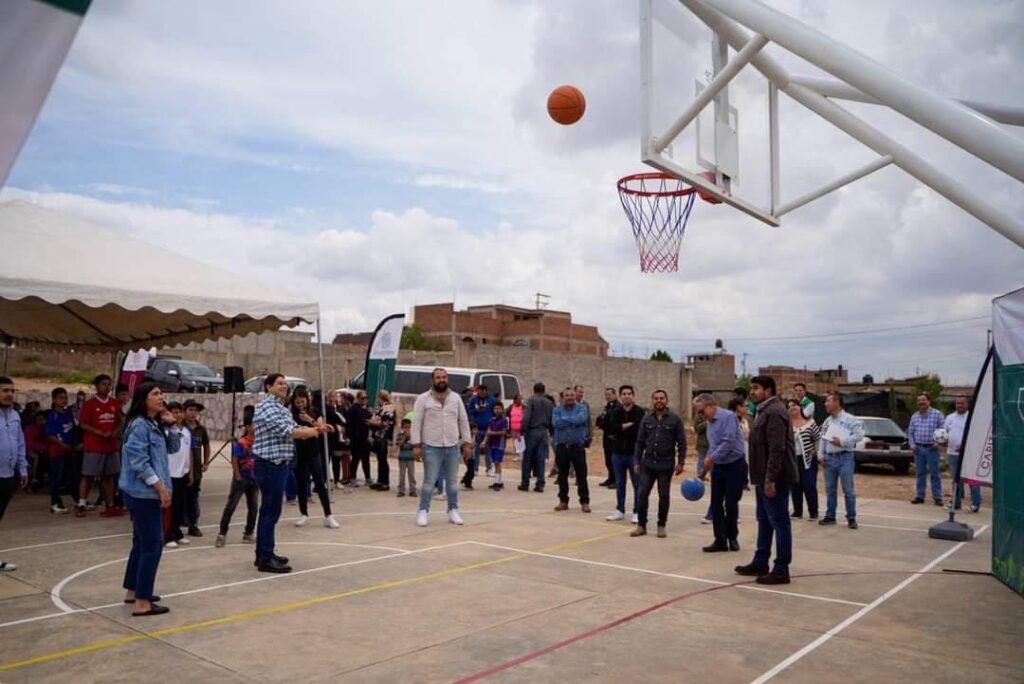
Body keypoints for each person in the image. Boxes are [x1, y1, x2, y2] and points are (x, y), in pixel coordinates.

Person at [252, 373, 331, 573]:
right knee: (270, 511)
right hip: (270, 465)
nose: (284, 386)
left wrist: (318, 428)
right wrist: (315, 432)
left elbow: (295, 426)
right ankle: (265, 557)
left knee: (270, 511)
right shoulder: (267, 407)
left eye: (285, 384)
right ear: (268, 386)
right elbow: (290, 431)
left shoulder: (278, 407)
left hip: (277, 465)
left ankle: (265, 553)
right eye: (279, 383)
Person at [119, 382, 177, 616]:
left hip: (146, 492)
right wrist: (161, 488)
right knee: (153, 544)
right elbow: (139, 462)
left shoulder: (155, 424)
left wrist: (171, 425)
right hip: (143, 493)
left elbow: (171, 448)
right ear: (143, 399)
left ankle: (133, 590)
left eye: (162, 393)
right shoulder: (140, 426)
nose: (161, 397)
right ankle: (143, 601)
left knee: (141, 542)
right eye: (155, 394)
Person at [737, 376, 800, 586]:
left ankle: (781, 569)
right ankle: (760, 561)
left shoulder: (774, 411)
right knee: (764, 521)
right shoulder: (763, 410)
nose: (752, 392)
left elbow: (777, 448)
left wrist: (771, 479)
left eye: (755, 388)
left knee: (779, 522)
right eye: (751, 388)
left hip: (775, 479)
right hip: (762, 477)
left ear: (769, 390)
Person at [411, 368, 472, 527]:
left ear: (448, 379)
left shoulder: (456, 398)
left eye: (444, 377)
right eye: (438, 377)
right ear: (432, 380)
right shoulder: (423, 399)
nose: (441, 380)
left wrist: (467, 442)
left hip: (452, 446)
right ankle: (423, 511)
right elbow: (416, 423)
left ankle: (453, 510)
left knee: (452, 482)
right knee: (429, 482)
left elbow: (463, 421)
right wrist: (416, 445)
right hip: (431, 446)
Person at [694, 394, 747, 553]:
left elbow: (728, 442)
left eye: (702, 411)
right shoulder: (710, 423)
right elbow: (713, 447)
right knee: (716, 504)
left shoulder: (728, 417)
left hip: (735, 465)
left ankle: (732, 537)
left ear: (711, 406)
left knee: (731, 503)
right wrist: (704, 472)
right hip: (719, 467)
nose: (701, 415)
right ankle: (720, 540)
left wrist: (712, 458)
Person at [631, 389, 686, 538]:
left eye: (662, 398)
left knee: (664, 496)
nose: (659, 401)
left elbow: (681, 442)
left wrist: (681, 462)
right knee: (642, 494)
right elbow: (640, 442)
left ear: (666, 400)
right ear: (652, 400)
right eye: (656, 398)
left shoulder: (675, 419)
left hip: (666, 465)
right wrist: (636, 461)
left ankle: (661, 525)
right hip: (647, 464)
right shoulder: (646, 419)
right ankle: (641, 525)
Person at [78, 375, 125, 518]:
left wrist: (115, 433)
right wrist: (99, 433)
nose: (107, 387)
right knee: (88, 475)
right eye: (104, 384)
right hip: (94, 445)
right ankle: (81, 504)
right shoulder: (90, 404)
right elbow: (83, 424)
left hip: (110, 446)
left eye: (109, 384)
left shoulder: (114, 403)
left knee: (109, 476)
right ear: (97, 386)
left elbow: (121, 420)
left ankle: (109, 505)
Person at [291, 391, 339, 528]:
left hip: (313, 452)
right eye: (298, 402)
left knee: (320, 482)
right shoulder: (291, 415)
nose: (301, 405)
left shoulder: (315, 411)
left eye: (303, 401)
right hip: (299, 452)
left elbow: (322, 428)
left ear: (307, 400)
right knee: (301, 483)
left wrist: (309, 420)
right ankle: (304, 514)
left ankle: (328, 515)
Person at [817, 393, 864, 528]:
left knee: (848, 490)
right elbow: (823, 439)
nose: (825, 404)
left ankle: (851, 518)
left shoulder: (850, 419)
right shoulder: (827, 421)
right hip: (829, 458)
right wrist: (820, 456)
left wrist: (843, 441)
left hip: (845, 457)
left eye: (828, 401)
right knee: (830, 489)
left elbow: (859, 435)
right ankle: (830, 516)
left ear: (837, 402)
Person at [215, 406, 258, 548]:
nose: (256, 427)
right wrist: (238, 476)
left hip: (254, 480)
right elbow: (235, 460)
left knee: (253, 507)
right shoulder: (241, 442)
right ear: (247, 426)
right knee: (231, 506)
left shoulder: (259, 442)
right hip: (241, 478)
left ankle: (249, 532)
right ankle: (222, 533)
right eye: (253, 424)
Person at [604, 385, 644, 523]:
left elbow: (638, 429)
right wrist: (624, 426)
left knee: (637, 484)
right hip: (618, 453)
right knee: (620, 483)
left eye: (629, 393)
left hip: (634, 454)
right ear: (620, 396)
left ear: (633, 395)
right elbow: (611, 428)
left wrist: (622, 427)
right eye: (624, 394)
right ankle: (620, 510)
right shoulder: (616, 411)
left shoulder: (640, 411)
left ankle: (638, 511)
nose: (627, 396)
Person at [0, 376, 28, 573]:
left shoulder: (15, 416)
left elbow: (20, 444)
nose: (9, 394)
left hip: (8, 475)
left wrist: (23, 467)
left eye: (12, 390)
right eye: (4, 390)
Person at [552, 388, 591, 513]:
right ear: (563, 397)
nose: (569, 397)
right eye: (567, 395)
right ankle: (563, 501)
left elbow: (581, 420)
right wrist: (573, 421)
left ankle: (584, 502)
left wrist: (566, 420)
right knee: (562, 475)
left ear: (575, 396)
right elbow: (556, 423)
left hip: (577, 446)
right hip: (562, 446)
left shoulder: (582, 408)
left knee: (581, 475)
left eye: (571, 395)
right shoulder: (557, 410)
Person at [944, 395, 981, 513]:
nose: (959, 405)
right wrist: (943, 441)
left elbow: (977, 435)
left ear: (967, 404)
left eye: (962, 403)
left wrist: (965, 445)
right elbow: (945, 433)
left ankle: (975, 503)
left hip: (969, 453)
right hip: (952, 453)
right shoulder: (949, 418)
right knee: (956, 479)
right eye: (957, 403)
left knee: (972, 479)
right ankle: (956, 502)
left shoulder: (973, 417)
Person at [908, 394, 945, 506]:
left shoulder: (937, 414)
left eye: (923, 400)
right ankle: (920, 496)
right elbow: (910, 432)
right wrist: (912, 445)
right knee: (920, 474)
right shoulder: (915, 416)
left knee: (935, 474)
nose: (921, 402)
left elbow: (943, 430)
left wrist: (937, 443)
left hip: (932, 449)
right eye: (919, 400)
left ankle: (937, 497)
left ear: (929, 401)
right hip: (918, 449)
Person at [46, 388, 78, 516]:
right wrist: (62, 445)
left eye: (65, 397)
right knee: (56, 478)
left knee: (72, 476)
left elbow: (73, 430)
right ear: (54, 400)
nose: (64, 400)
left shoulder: (68, 414)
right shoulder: (53, 416)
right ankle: (55, 503)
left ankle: (78, 500)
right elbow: (51, 435)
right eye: (60, 398)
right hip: (57, 452)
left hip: (68, 451)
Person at [787, 399, 821, 520]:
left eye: (794, 405)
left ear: (800, 407)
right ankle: (797, 512)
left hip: (808, 460)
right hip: (792, 460)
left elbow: (818, 438)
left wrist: (815, 450)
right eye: (789, 406)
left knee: (809, 485)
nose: (792, 408)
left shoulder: (810, 422)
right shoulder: (786, 424)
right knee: (795, 486)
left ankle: (813, 512)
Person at [164, 402, 192, 548]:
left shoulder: (186, 431)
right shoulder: (166, 431)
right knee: (169, 507)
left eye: (179, 412)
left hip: (182, 473)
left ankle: (177, 532)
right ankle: (167, 535)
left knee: (179, 506)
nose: (177, 415)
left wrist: (190, 472)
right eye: (174, 412)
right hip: (169, 474)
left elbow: (189, 453)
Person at [519, 383, 554, 493]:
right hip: (543, 432)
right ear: (544, 391)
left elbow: (526, 417)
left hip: (532, 431)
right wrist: (551, 432)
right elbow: (551, 419)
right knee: (541, 458)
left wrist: (523, 430)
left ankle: (525, 483)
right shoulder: (549, 403)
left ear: (534, 390)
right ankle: (540, 483)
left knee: (528, 458)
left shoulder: (531, 401)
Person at [466, 384, 496, 487]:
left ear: (486, 391)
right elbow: (469, 412)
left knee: (488, 449)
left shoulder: (492, 400)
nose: (481, 393)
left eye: (483, 391)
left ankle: (489, 468)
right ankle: (475, 468)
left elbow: (495, 412)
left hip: (488, 428)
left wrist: (493, 425)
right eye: (479, 391)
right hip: (477, 428)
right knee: (476, 450)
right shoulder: (474, 400)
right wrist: (476, 411)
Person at [368, 390, 396, 492]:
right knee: (380, 459)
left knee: (383, 460)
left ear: (381, 398)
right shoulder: (383, 408)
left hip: (383, 437)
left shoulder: (388, 408)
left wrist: (372, 422)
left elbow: (385, 423)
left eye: (378, 398)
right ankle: (380, 480)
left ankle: (385, 482)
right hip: (380, 437)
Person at [595, 387, 621, 489]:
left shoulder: (618, 407)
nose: (607, 397)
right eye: (606, 395)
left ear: (615, 395)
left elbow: (612, 422)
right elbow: (600, 419)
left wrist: (604, 422)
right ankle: (610, 478)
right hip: (606, 435)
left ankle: (617, 480)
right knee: (608, 459)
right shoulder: (608, 407)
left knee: (614, 459)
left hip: (613, 437)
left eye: (609, 394)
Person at [347, 391, 372, 486]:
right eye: (362, 398)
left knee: (366, 459)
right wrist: (349, 436)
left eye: (366, 398)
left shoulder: (368, 408)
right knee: (355, 458)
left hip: (365, 437)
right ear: (357, 398)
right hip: (356, 438)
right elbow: (349, 423)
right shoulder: (353, 409)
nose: (364, 400)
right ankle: (352, 478)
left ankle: (368, 478)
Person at [325, 391, 349, 489]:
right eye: (331, 397)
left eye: (335, 396)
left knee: (336, 459)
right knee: (327, 459)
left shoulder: (340, 408)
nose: (333, 399)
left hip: (339, 438)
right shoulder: (326, 408)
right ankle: (326, 480)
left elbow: (344, 421)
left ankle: (337, 480)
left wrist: (346, 435)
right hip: (329, 437)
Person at [486, 403, 510, 491]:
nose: (497, 410)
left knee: (497, 462)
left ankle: (497, 481)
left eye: (499, 408)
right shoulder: (491, 420)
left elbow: (504, 432)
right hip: (492, 443)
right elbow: (488, 431)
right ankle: (498, 481)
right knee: (495, 463)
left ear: (502, 409)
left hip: (500, 444)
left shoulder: (504, 420)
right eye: (495, 408)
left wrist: (492, 433)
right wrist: (485, 441)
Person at [395, 418, 417, 497]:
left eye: (409, 427)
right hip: (402, 458)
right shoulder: (400, 435)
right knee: (402, 475)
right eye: (406, 427)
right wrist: (404, 436)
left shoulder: (413, 435)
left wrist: (411, 437)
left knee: (411, 474)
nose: (407, 429)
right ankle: (401, 490)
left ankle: (413, 490)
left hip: (411, 458)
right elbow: (399, 444)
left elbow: (415, 445)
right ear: (402, 427)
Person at [508, 393, 525, 462]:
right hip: (513, 427)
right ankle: (517, 454)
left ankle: (521, 455)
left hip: (521, 427)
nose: (520, 400)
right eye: (518, 399)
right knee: (515, 441)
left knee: (520, 440)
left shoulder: (524, 407)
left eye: (521, 399)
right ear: (515, 400)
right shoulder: (511, 407)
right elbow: (507, 414)